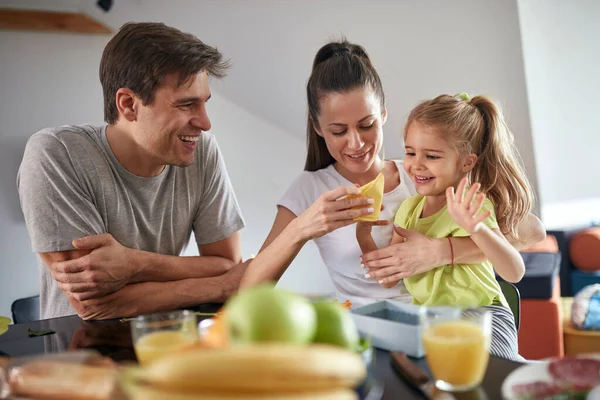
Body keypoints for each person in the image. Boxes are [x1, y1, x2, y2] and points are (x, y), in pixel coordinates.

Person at [240, 39, 545, 308]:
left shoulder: (424, 172)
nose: (356, 143)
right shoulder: (309, 189)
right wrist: (303, 227)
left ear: (383, 113)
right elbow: (249, 289)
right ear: (319, 128)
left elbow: (531, 230)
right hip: (368, 330)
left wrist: (441, 252)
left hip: (444, 320)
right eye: (338, 131)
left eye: (366, 125)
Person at [17, 22, 246, 320]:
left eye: (204, 103)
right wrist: (220, 287)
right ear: (128, 105)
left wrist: (133, 263)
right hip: (82, 355)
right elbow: (94, 304)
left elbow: (228, 263)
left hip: (170, 344)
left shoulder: (202, 151)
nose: (204, 123)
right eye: (187, 105)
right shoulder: (55, 154)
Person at [357, 93, 532, 360]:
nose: (416, 164)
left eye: (432, 156)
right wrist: (363, 232)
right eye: (410, 152)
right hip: (431, 321)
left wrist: (477, 229)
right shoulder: (407, 211)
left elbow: (514, 271)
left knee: (485, 372)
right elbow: (388, 278)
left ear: (466, 162)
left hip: (482, 315)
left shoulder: (472, 204)